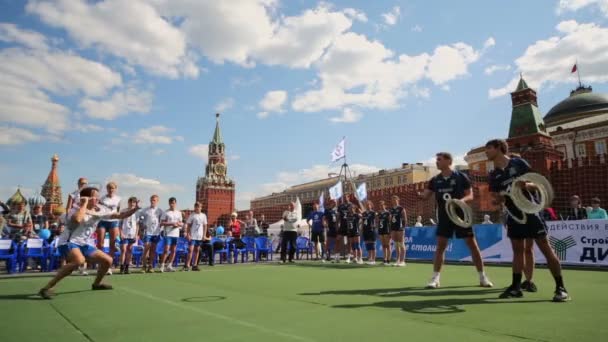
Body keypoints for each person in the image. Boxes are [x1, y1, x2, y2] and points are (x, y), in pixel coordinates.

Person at [485, 139, 569, 302]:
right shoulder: (494, 175)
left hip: (531, 212)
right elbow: (496, 199)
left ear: (499, 148)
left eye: (488, 149)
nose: (486, 152)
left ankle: (561, 287)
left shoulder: (518, 163)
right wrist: (499, 198)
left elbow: (537, 184)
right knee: (517, 250)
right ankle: (516, 287)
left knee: (545, 248)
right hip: (513, 215)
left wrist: (524, 185)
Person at [38, 187, 140, 299]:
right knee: (79, 261)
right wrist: (84, 204)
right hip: (68, 242)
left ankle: (97, 284)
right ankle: (47, 288)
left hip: (83, 244)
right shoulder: (75, 209)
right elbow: (77, 219)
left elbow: (119, 215)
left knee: (108, 260)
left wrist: (135, 209)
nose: (97, 198)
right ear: (85, 198)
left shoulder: (99, 210)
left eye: (97, 196)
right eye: (94, 196)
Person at [419, 152, 493, 288]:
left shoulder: (461, 177)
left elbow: (470, 196)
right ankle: (435, 279)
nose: (437, 162)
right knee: (441, 246)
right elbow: (426, 196)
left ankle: (483, 277)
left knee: (472, 244)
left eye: (439, 160)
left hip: (461, 215)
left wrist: (459, 202)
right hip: (444, 217)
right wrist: (421, 196)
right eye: (436, 160)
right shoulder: (435, 180)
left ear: (448, 161)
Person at [96, 182, 121, 275]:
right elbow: (98, 209)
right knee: (100, 244)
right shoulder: (102, 199)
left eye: (113, 188)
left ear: (115, 189)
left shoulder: (118, 199)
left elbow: (118, 211)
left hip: (113, 222)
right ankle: (100, 265)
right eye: (109, 188)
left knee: (112, 245)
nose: (111, 190)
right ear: (107, 189)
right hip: (103, 221)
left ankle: (108, 266)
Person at [140, 195, 164, 273]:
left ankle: (150, 266)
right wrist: (141, 228)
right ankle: (144, 266)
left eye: (154, 200)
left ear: (157, 201)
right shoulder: (145, 210)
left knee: (153, 250)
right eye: (152, 200)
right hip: (147, 233)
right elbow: (140, 220)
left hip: (156, 233)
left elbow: (162, 221)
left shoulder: (160, 211)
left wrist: (161, 230)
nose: (153, 201)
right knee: (146, 249)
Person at [160, 197, 183, 272]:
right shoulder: (165, 212)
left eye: (173, 203)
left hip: (176, 234)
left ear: (175, 203)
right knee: (166, 250)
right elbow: (162, 223)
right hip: (168, 234)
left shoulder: (179, 213)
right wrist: (171, 223)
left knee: (173, 250)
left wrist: (178, 225)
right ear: (169, 203)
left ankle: (169, 265)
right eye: (171, 203)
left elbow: (181, 223)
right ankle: (162, 265)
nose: (172, 204)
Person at [184, 202, 208, 271]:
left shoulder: (203, 215)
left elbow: (205, 226)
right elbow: (188, 225)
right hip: (192, 236)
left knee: (197, 250)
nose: (197, 208)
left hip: (199, 236)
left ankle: (195, 265)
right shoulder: (192, 215)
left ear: (201, 207)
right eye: (196, 207)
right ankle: (187, 265)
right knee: (190, 250)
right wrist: (188, 234)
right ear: (194, 207)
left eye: (199, 207)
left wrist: (204, 235)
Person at [119, 197, 139, 274]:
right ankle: (121, 267)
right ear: (128, 202)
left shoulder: (137, 212)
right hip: (124, 233)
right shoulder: (123, 211)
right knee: (123, 250)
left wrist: (136, 234)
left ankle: (127, 267)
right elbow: (120, 223)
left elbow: (137, 224)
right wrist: (121, 233)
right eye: (131, 202)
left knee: (130, 250)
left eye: (134, 202)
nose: (132, 204)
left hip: (132, 234)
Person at [389, 196, 407, 267]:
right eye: (392, 200)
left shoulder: (401, 208)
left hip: (400, 228)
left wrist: (403, 228)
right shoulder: (391, 210)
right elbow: (390, 220)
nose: (394, 201)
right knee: (396, 244)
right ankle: (397, 260)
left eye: (395, 199)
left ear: (398, 200)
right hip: (393, 228)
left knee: (401, 244)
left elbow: (405, 219)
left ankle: (403, 261)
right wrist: (390, 229)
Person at [336, 195, 353, 263]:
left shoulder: (351, 205)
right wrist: (337, 225)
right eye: (344, 197)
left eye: (346, 197)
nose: (345, 198)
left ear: (349, 198)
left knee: (349, 242)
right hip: (342, 226)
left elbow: (354, 214)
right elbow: (338, 216)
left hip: (349, 226)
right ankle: (337, 257)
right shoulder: (340, 206)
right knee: (338, 240)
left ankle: (348, 257)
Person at [362, 201, 377, 265]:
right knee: (367, 244)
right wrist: (362, 228)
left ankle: (373, 259)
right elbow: (363, 222)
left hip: (371, 230)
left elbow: (376, 220)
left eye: (369, 205)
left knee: (372, 245)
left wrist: (374, 226)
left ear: (371, 205)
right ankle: (370, 258)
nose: (368, 206)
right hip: (365, 230)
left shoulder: (373, 213)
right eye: (367, 205)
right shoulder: (364, 213)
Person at [377, 200, 392, 265]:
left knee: (388, 245)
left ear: (385, 205)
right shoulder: (379, 213)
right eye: (380, 205)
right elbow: (378, 222)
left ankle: (388, 260)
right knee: (383, 245)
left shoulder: (388, 213)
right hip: (381, 230)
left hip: (387, 230)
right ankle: (384, 259)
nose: (381, 206)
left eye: (382, 205)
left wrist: (390, 232)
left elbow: (390, 222)